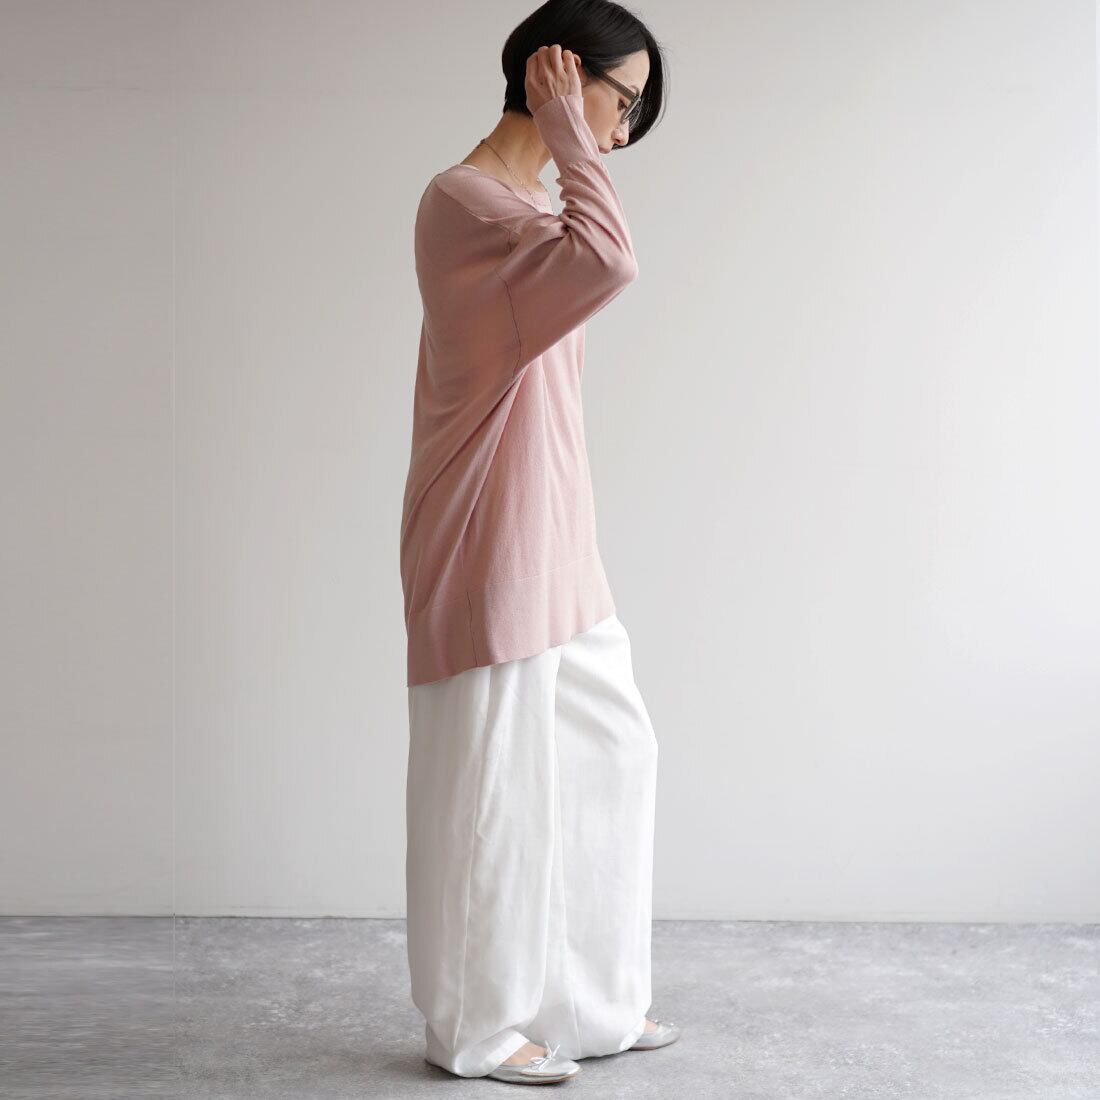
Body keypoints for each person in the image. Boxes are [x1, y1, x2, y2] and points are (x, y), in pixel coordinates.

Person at [400, 0, 677, 1085]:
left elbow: (589, 254)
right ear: (555, 74)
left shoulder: (524, 211)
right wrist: (567, 135)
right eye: (621, 99)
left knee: (613, 757)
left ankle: (590, 1005)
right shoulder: (464, 203)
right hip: (486, 538)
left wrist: (570, 147)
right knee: (495, 795)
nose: (622, 128)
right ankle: (476, 1027)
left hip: (557, 538)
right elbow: (608, 262)